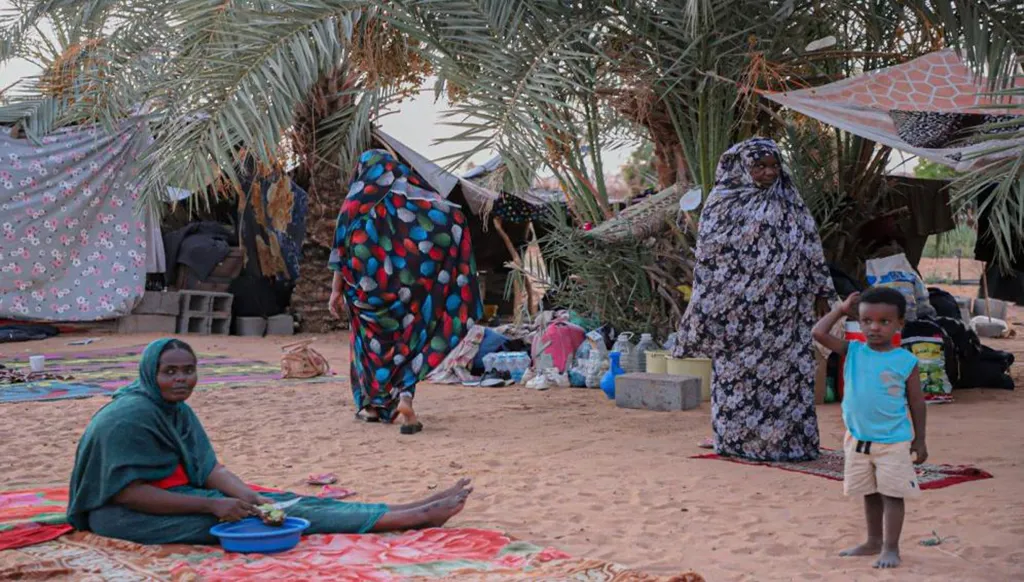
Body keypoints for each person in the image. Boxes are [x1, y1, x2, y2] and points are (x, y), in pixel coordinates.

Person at [67, 338, 473, 545]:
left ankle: (407, 507)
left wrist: (253, 496)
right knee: (257, 519)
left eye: (188, 371)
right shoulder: (129, 418)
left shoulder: (176, 411)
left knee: (278, 501)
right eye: (170, 372)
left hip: (178, 495)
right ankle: (406, 519)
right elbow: (128, 494)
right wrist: (213, 504)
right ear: (149, 374)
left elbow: (210, 469)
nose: (181, 380)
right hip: (124, 516)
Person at [672, 137, 835, 462]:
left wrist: (824, 293)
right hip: (738, 319)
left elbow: (810, 247)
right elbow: (710, 259)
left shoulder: (789, 200)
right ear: (742, 166)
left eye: (774, 165)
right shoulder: (721, 203)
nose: (768, 172)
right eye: (759, 165)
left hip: (786, 317)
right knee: (739, 380)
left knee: (789, 380)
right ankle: (736, 442)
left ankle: (792, 445)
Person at [328, 150, 483, 434]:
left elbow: (340, 252)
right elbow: (445, 219)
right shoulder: (410, 202)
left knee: (370, 349)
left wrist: (335, 291)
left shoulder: (353, 204)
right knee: (407, 344)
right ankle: (405, 398)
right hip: (406, 296)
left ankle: (373, 406)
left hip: (366, 298)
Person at [813, 288, 927, 569]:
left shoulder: (905, 361)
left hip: (893, 442)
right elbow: (818, 333)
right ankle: (873, 541)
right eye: (867, 321)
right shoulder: (852, 350)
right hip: (858, 440)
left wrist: (920, 440)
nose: (874, 327)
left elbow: (917, 403)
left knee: (892, 495)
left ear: (900, 323)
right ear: (859, 322)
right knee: (870, 492)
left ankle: (891, 547)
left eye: (884, 322)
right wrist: (840, 309)